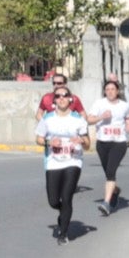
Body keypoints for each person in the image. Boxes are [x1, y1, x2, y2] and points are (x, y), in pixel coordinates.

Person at [35, 87, 88, 243]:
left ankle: (63, 234)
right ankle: (63, 213)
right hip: (53, 162)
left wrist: (81, 141)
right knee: (53, 201)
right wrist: (48, 141)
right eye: (58, 96)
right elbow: (38, 139)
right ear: (54, 100)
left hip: (73, 161)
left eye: (65, 95)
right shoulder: (47, 118)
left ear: (71, 99)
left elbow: (87, 143)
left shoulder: (78, 119)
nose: (62, 98)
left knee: (66, 197)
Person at [86, 78, 129, 216]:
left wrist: (128, 126)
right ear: (104, 92)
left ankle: (106, 203)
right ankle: (115, 190)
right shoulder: (99, 104)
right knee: (108, 173)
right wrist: (101, 117)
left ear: (117, 91)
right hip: (102, 143)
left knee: (111, 172)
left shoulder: (124, 105)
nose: (110, 92)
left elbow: (128, 118)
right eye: (107, 90)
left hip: (119, 143)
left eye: (113, 89)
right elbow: (89, 120)